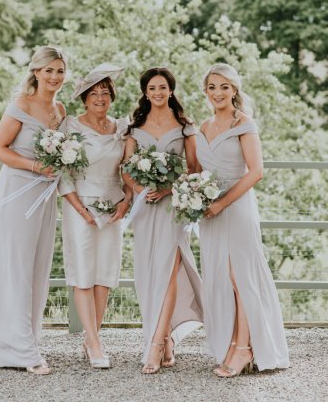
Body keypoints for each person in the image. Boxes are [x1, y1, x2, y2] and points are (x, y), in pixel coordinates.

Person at [0, 45, 67, 375]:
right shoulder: (21, 104)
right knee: (16, 264)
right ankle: (21, 350)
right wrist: (34, 165)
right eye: (49, 70)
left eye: (60, 71)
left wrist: (55, 167)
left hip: (46, 194)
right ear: (36, 72)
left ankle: (25, 338)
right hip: (18, 192)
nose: (55, 77)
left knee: (38, 264)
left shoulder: (61, 109)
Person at [197, 63, 289, 377]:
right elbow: (199, 172)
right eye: (212, 87)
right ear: (206, 91)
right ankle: (233, 342)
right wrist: (191, 195)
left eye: (224, 86)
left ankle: (244, 348)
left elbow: (256, 171)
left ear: (234, 90)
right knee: (221, 278)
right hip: (208, 212)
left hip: (235, 208)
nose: (218, 93)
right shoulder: (204, 125)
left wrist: (223, 202)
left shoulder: (244, 122)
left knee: (241, 278)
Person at [122, 67, 203, 375]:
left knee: (169, 271)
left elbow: (194, 168)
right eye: (152, 88)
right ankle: (165, 339)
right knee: (148, 273)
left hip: (172, 208)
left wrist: (168, 188)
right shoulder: (135, 126)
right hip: (144, 210)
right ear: (145, 92)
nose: (157, 92)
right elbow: (126, 169)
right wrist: (142, 190)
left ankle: (155, 345)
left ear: (171, 90)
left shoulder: (184, 126)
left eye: (163, 87)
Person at [59, 63, 131, 369]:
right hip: (81, 206)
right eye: (94, 94)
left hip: (113, 205)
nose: (100, 98)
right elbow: (62, 172)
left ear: (112, 97)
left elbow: (128, 169)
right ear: (84, 99)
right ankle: (95, 341)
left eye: (105, 93)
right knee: (83, 273)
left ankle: (92, 339)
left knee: (104, 274)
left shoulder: (123, 128)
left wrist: (127, 200)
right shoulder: (71, 126)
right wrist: (78, 208)